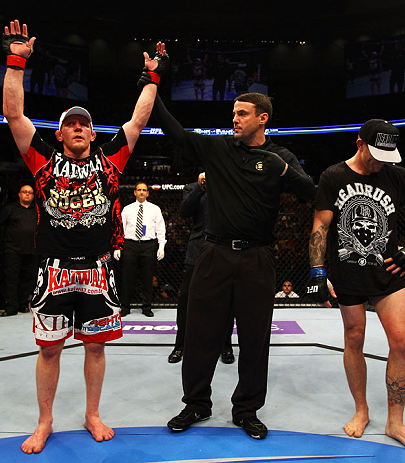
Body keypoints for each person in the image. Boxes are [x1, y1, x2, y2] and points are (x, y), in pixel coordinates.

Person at [0, 19, 168, 453]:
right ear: (59, 133)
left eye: (83, 124)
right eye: (70, 123)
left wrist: (153, 78)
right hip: (53, 270)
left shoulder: (111, 159)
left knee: (95, 349)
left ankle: (93, 414)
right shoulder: (41, 159)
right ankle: (44, 422)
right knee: (50, 351)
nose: (77, 127)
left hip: (97, 270)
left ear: (92, 132)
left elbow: (139, 119)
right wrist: (16, 60)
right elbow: (14, 115)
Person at [153, 91, 316, 439]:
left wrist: (284, 169)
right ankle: (196, 403)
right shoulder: (219, 150)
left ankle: (246, 410)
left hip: (257, 257)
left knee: (255, 339)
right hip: (214, 254)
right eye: (234, 113)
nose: (235, 119)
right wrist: (152, 88)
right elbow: (178, 135)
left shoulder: (279, 156)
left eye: (242, 113)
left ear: (263, 119)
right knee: (200, 334)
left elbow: (309, 191)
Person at [308, 118, 405, 457]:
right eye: (375, 153)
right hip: (348, 274)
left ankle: (396, 422)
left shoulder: (397, 175)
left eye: (387, 154)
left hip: (388, 275)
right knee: (354, 338)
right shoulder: (334, 176)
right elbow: (320, 224)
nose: (380, 161)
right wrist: (317, 272)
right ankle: (361, 410)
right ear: (359, 143)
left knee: (403, 341)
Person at [168, 173, 234, 365]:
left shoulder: (229, 184)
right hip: (197, 249)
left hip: (224, 249)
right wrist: (199, 186)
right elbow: (185, 211)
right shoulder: (192, 187)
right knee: (186, 299)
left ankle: (225, 346)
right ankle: (180, 345)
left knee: (225, 300)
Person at [0, 184, 38, 316]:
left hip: (32, 250)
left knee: (29, 278)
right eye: (24, 192)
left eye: (30, 192)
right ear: (19, 194)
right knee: (11, 278)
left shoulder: (37, 210)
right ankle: (11, 306)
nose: (27, 194)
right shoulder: (10, 209)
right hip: (13, 249)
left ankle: (23, 304)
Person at [116, 181, 166, 317]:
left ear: (148, 193)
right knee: (127, 277)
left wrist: (161, 245)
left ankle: (146, 307)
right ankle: (125, 306)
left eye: (144, 190)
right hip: (130, 244)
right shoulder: (127, 209)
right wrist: (118, 246)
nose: (142, 192)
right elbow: (121, 229)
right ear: (135, 192)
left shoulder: (154, 209)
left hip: (148, 245)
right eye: (139, 190)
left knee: (147, 277)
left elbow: (161, 228)